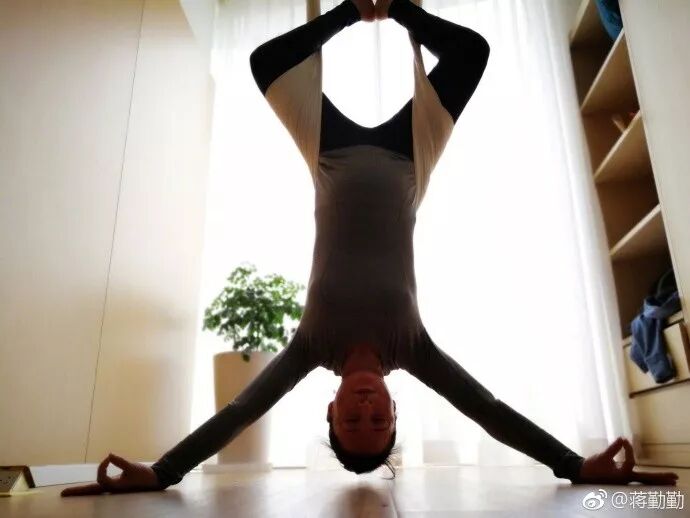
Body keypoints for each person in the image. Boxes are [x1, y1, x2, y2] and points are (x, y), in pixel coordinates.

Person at [62, 0, 678, 496]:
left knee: (264, 63)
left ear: (330, 411)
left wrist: (162, 473)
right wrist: (574, 466)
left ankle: (355, 7)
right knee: (472, 53)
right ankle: (399, 7)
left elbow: (239, 412)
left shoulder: (311, 345)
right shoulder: (411, 347)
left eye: (352, 420)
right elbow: (488, 410)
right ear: (394, 411)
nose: (365, 408)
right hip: (410, 157)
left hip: (329, 155)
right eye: (378, 421)